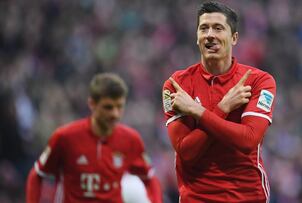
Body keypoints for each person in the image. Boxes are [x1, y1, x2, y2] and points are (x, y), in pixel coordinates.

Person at [162, 1, 276, 203]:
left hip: (247, 196)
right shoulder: (176, 85)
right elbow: (186, 151)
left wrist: (197, 111)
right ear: (197, 37)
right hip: (196, 198)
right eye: (203, 28)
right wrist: (223, 108)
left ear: (234, 38)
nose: (210, 34)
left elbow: (248, 140)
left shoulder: (258, 81)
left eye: (218, 28)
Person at [26, 73, 162, 203]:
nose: (115, 114)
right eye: (108, 107)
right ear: (92, 104)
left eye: (120, 107)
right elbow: (37, 174)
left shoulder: (130, 139)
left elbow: (150, 178)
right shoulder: (65, 137)